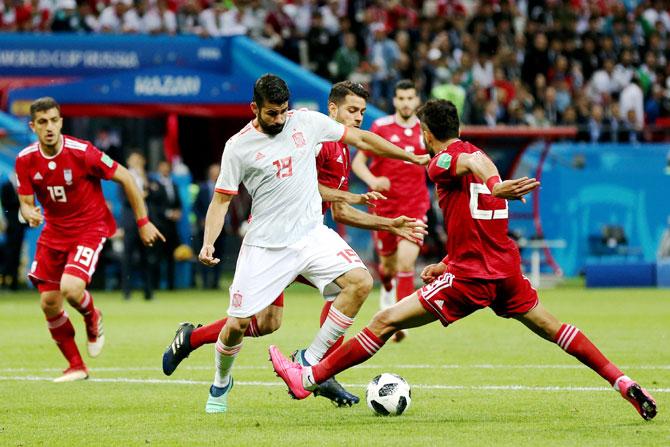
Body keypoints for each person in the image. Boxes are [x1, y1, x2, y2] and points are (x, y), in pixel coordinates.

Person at [269, 99, 658, 422]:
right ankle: (621, 381)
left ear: (426, 132)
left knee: (384, 321)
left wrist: (493, 185)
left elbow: (469, 168)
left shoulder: (443, 163)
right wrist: (449, 258)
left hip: (472, 278)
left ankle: (308, 375)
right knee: (556, 330)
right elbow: (474, 215)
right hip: (503, 271)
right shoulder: (479, 151)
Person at [162, 80, 427, 407]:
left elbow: (361, 142)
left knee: (359, 283)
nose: (279, 119)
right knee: (252, 324)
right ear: (254, 109)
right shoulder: (238, 146)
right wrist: (208, 243)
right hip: (267, 245)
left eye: (283, 112)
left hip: (311, 235)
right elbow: (220, 200)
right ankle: (218, 377)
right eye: (272, 113)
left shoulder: (308, 123)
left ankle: (310, 364)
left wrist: (412, 159)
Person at [15, 97, 164, 382]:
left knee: (71, 289)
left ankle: (92, 316)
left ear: (61, 121)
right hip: (54, 234)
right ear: (33, 126)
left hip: (89, 228)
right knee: (48, 302)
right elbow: (25, 202)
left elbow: (127, 178)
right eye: (43, 122)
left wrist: (143, 222)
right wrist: (28, 212)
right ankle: (76, 366)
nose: (49, 127)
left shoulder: (83, 152)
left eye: (54, 120)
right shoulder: (25, 160)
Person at [351, 79, 430, 342]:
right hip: (385, 207)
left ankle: (399, 320)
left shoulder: (425, 130)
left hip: (415, 205)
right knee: (388, 267)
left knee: (407, 262)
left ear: (416, 100)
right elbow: (359, 163)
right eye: (401, 98)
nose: (406, 103)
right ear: (395, 100)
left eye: (410, 98)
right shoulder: (381, 127)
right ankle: (387, 290)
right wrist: (373, 181)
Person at [120, 151, 158, 300]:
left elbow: (153, 195)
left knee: (146, 257)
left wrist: (142, 177)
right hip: (131, 222)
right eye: (133, 159)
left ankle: (148, 292)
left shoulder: (147, 177)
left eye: (139, 159)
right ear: (128, 161)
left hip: (146, 223)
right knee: (127, 258)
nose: (136, 162)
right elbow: (125, 197)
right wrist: (138, 196)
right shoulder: (123, 175)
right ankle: (126, 292)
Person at [150, 160, 182, 290]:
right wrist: (168, 213)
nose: (165, 170)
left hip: (172, 227)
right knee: (157, 256)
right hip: (159, 226)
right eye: (163, 167)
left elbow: (178, 203)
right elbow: (154, 206)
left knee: (171, 256)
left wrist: (178, 212)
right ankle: (155, 285)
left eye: (167, 167)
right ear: (158, 169)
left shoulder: (173, 185)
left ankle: (171, 285)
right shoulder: (154, 185)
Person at [193, 163, 225, 289]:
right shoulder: (202, 187)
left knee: (219, 254)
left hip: (222, 228)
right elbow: (195, 206)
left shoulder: (227, 187)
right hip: (205, 228)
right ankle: (205, 282)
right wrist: (201, 220)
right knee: (206, 252)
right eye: (214, 171)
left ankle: (216, 282)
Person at [1, 173, 25, 290]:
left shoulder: (23, 187)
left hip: (20, 227)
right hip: (10, 226)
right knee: (9, 253)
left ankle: (14, 283)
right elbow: (6, 204)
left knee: (17, 253)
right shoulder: (6, 186)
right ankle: (5, 280)